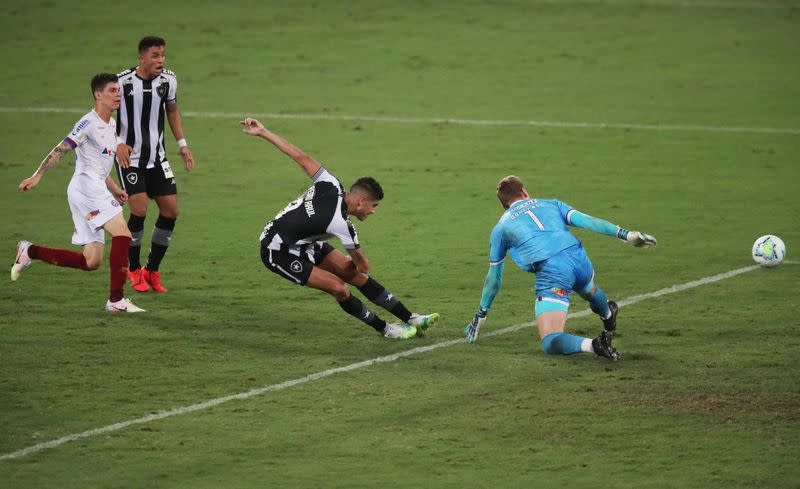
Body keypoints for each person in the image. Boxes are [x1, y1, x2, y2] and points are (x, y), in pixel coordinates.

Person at [241, 117, 440, 339]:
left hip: (307, 241)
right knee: (340, 287)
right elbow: (364, 266)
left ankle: (411, 318)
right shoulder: (340, 224)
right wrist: (352, 259)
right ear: (361, 202)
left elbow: (300, 156)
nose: (373, 211)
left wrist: (264, 132)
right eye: (374, 206)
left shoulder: (330, 183)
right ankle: (386, 329)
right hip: (278, 250)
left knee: (353, 276)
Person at [464, 175, 657, 360]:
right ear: (524, 191)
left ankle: (596, 345)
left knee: (551, 340)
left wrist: (481, 314)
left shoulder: (501, 229)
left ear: (503, 204)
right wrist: (626, 235)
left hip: (552, 270)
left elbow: (494, 279)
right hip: (577, 256)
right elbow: (588, 221)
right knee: (588, 289)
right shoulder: (552, 204)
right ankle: (608, 313)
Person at [11, 73, 145, 313]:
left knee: (91, 261)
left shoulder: (111, 125)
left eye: (119, 90)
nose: (118, 95)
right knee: (123, 233)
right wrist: (38, 174)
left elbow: (100, 166)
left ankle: (30, 250)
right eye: (113, 90)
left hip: (93, 187)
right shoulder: (88, 123)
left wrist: (114, 189)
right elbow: (60, 149)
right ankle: (116, 300)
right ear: (98, 94)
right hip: (86, 188)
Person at [115, 35, 195, 293]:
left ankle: (152, 270)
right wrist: (117, 142)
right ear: (142, 57)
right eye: (155, 56)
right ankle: (134, 269)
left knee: (171, 211)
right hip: (131, 159)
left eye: (163, 55)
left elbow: (172, 110)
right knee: (138, 210)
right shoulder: (122, 82)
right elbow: (103, 116)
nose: (160, 60)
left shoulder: (168, 80)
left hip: (157, 158)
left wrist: (182, 145)